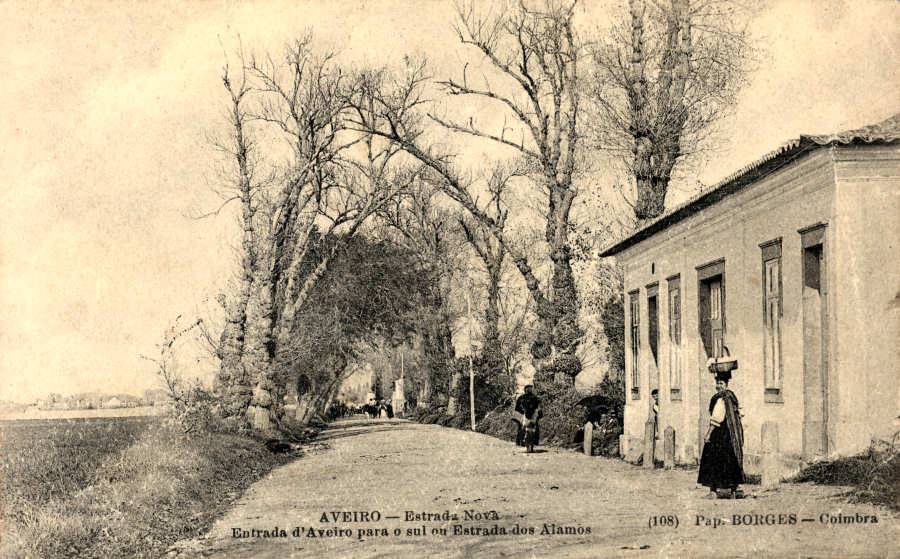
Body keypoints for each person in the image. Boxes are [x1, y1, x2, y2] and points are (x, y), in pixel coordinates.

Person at [697, 372, 744, 498]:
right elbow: (739, 413)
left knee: (713, 460)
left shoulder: (721, 399)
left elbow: (716, 419)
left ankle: (713, 491)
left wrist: (708, 434)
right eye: (717, 383)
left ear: (726, 385)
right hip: (730, 435)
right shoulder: (732, 397)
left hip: (719, 434)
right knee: (730, 460)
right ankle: (734, 491)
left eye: (721, 383)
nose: (718, 386)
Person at [515, 385, 543, 452]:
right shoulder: (521, 398)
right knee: (521, 427)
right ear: (525, 389)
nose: (529, 389)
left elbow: (539, 406)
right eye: (528, 388)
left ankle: (535, 442)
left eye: (530, 388)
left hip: (533, 414)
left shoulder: (535, 397)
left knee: (536, 428)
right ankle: (520, 441)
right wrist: (522, 412)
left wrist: (539, 413)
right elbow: (517, 408)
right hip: (525, 414)